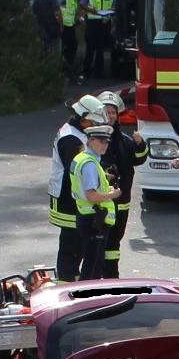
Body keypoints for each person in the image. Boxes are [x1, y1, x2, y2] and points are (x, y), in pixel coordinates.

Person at [50, 95, 108, 280]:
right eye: (93, 122)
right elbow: (78, 169)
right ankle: (66, 288)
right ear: (83, 119)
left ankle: (71, 283)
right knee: (72, 247)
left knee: (79, 246)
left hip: (74, 197)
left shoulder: (77, 133)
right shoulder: (71, 139)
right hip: (68, 200)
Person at [98, 109, 149, 278]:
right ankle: (97, 278)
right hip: (100, 203)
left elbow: (139, 159)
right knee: (98, 242)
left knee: (114, 244)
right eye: (106, 112)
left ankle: (112, 278)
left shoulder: (125, 141)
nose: (110, 115)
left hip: (121, 202)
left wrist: (140, 144)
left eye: (113, 112)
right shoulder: (94, 141)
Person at [68, 123, 120, 281]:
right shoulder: (90, 164)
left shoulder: (82, 158)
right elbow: (91, 195)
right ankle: (88, 300)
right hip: (94, 218)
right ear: (90, 140)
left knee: (90, 263)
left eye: (106, 142)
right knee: (93, 267)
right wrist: (112, 194)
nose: (104, 145)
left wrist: (104, 177)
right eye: (101, 141)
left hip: (86, 215)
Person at [83, 0, 118, 78]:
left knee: (101, 48)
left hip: (105, 22)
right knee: (90, 48)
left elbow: (115, 5)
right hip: (93, 22)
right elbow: (82, 4)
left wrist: (112, 10)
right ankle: (86, 71)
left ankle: (98, 72)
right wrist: (93, 10)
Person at [55, 0, 85, 78]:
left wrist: (77, 19)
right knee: (66, 48)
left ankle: (67, 69)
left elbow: (71, 8)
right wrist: (59, 23)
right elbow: (56, 8)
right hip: (63, 26)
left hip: (70, 25)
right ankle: (63, 71)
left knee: (72, 46)